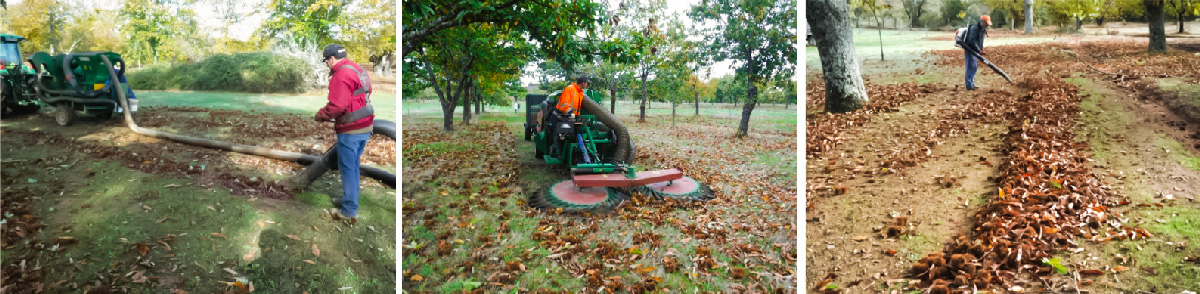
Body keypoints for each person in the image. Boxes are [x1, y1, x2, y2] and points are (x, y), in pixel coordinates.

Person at [313, 44, 374, 222]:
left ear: (331, 59)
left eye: (326, 61)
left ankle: (348, 211)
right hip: (365, 126)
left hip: (351, 130)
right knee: (353, 167)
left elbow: (337, 106)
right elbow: (367, 91)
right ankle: (350, 201)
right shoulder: (358, 69)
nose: (326, 65)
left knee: (347, 170)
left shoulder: (340, 75)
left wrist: (321, 115)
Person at [962, 15, 990, 90]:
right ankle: (969, 85)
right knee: (970, 66)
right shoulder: (974, 28)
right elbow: (971, 41)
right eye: (986, 23)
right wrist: (978, 50)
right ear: (982, 22)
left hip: (975, 50)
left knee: (974, 67)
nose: (987, 25)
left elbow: (980, 41)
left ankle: (972, 83)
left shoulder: (982, 30)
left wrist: (981, 50)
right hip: (970, 49)